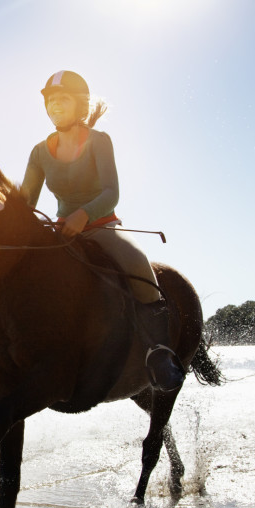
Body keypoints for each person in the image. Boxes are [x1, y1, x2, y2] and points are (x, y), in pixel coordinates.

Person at [19, 70, 185, 392]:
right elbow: (25, 202)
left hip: (101, 227)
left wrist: (83, 214)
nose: (54, 105)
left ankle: (159, 353)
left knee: (137, 262)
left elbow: (111, 192)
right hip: (61, 232)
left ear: (80, 105)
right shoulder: (39, 151)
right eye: (50, 100)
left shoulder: (99, 141)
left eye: (62, 99)